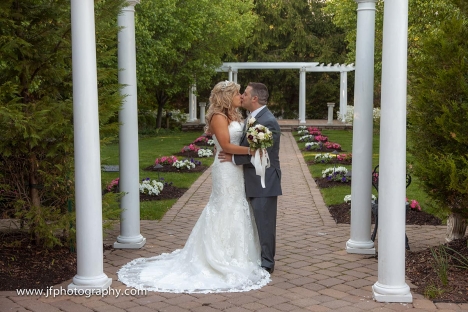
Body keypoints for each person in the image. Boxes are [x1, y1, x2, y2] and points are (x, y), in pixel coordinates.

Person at [117, 80, 270, 293]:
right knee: (224, 206)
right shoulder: (218, 117)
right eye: (237, 93)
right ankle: (217, 255)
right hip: (225, 169)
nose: (240, 97)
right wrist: (253, 151)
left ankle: (238, 253)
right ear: (227, 96)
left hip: (235, 168)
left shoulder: (235, 116)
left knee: (237, 206)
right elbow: (225, 146)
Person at [219, 82, 282, 274]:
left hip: (264, 180)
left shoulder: (267, 121)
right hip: (248, 178)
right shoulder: (253, 117)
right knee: (254, 223)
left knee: (265, 223)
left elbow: (263, 154)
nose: (242, 96)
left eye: (245, 93)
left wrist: (233, 157)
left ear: (254, 98)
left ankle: (267, 263)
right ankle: (255, 256)